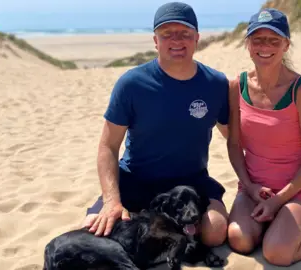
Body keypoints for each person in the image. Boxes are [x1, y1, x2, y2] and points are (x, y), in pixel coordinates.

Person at [82, 2, 230, 248]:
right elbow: (108, 146)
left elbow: (235, 138)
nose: (176, 40)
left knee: (214, 233)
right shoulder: (131, 84)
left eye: (184, 33)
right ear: (155, 40)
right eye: (167, 34)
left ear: (197, 38)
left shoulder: (215, 83)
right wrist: (111, 200)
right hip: (136, 180)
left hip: (190, 184)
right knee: (92, 230)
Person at [226, 8, 301, 266]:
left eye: (274, 40)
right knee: (239, 240)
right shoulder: (238, 85)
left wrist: (279, 200)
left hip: (296, 189)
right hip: (253, 188)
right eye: (257, 39)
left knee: (277, 254)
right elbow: (234, 144)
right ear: (247, 44)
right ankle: (278, 226)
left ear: (285, 45)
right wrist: (250, 187)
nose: (265, 46)